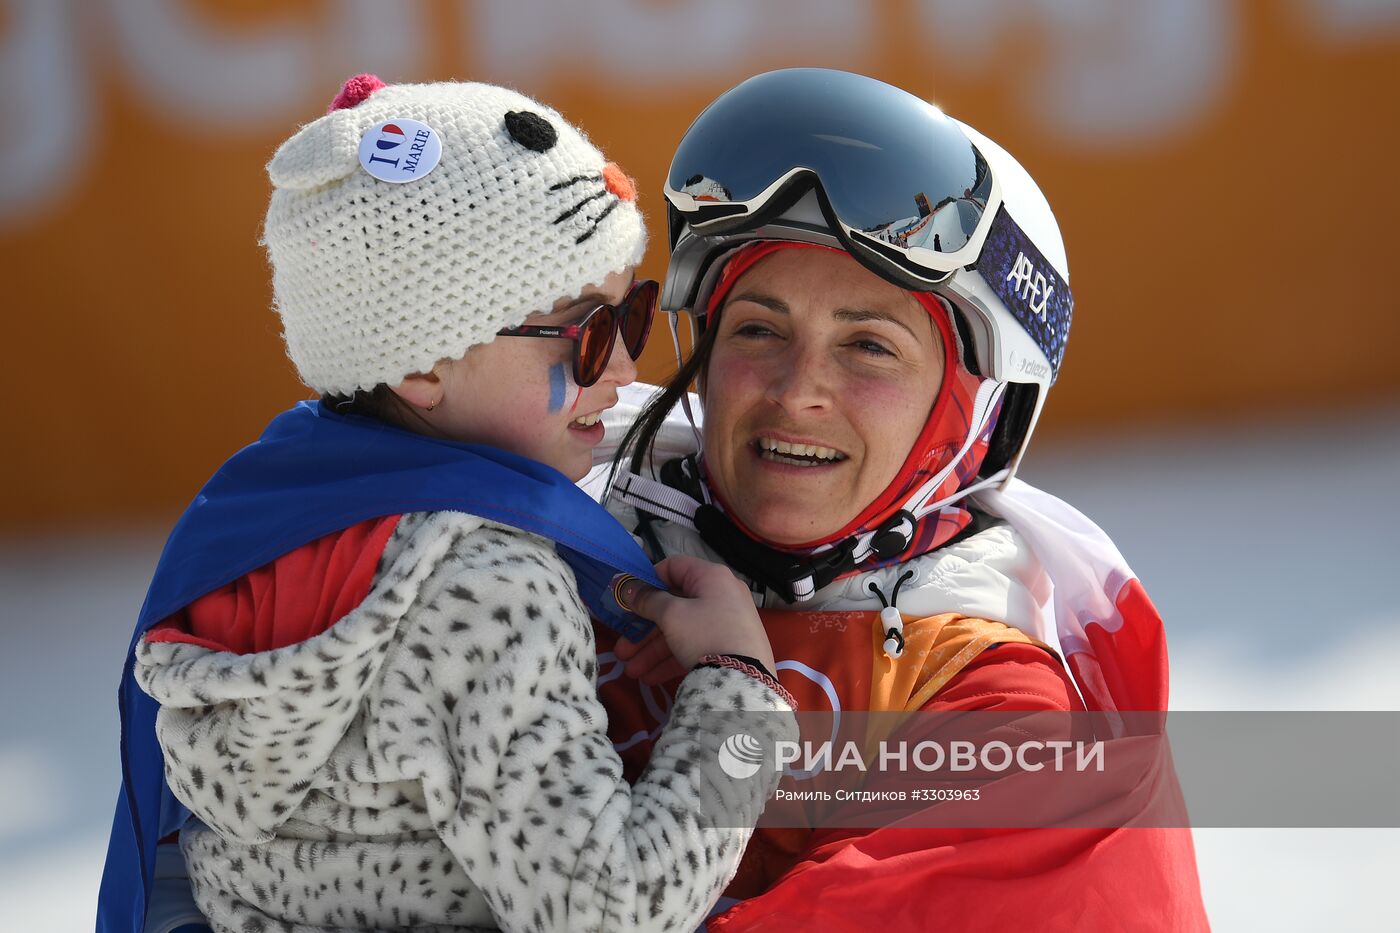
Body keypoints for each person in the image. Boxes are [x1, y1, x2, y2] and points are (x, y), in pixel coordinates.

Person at [95, 74, 798, 933]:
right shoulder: (485, 585)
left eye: (636, 314)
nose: (620, 371)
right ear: (424, 365)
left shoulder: (273, 524)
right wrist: (740, 688)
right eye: (588, 333)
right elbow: (612, 911)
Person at [597, 68, 1210, 931]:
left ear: (969, 413)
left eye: (869, 347)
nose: (796, 390)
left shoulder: (1008, 722)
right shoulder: (552, 536)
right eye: (758, 329)